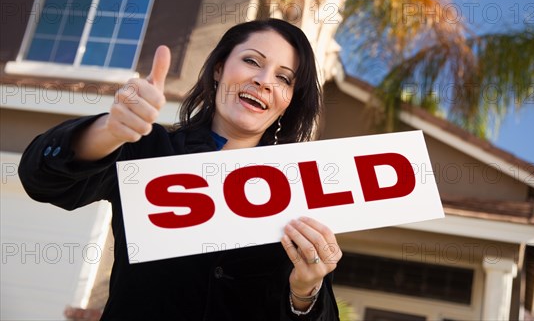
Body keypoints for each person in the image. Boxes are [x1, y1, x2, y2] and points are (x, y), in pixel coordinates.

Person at [18, 19, 342, 320]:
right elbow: (42, 179)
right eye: (252, 61)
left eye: (283, 78)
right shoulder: (149, 150)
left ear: (290, 100)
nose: (263, 80)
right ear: (219, 69)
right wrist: (110, 130)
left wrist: (305, 292)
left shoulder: (299, 191)